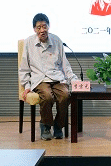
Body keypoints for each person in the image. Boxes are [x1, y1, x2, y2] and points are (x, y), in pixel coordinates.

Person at [18, 13, 78, 141]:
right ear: (34, 29)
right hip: (40, 79)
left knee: (65, 95)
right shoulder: (29, 42)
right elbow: (23, 68)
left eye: (44, 27)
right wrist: (26, 86)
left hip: (57, 78)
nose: (42, 30)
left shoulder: (57, 41)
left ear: (48, 27)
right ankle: (45, 126)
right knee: (47, 96)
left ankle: (58, 126)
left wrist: (74, 80)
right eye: (38, 27)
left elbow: (65, 65)